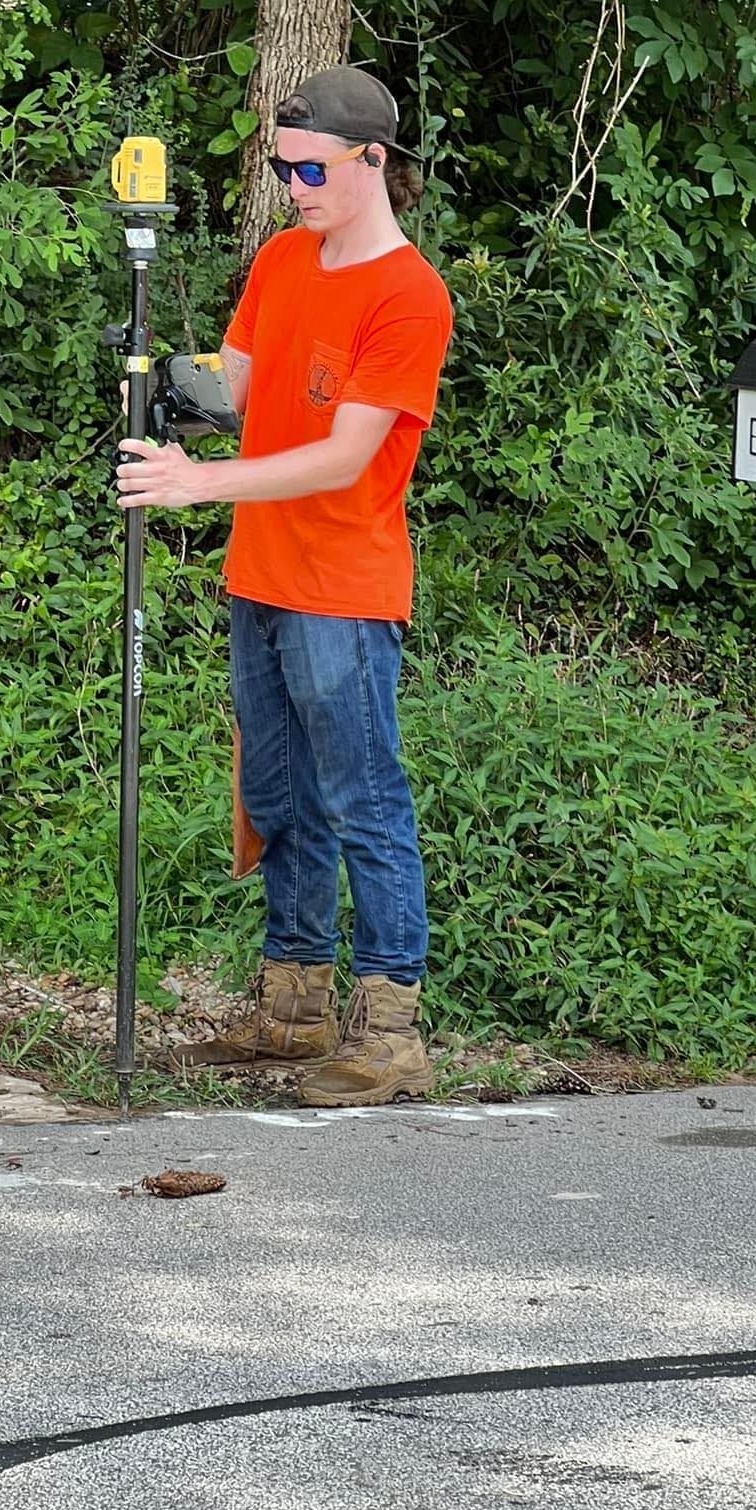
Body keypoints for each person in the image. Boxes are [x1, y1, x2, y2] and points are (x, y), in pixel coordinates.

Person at [116, 66, 452, 1106]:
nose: (294, 183)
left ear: (373, 162)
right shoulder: (281, 260)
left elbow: (344, 456)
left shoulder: (409, 295)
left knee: (363, 800)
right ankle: (294, 1009)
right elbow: (237, 389)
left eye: (310, 166)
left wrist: (198, 483)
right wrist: (156, 380)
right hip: (259, 575)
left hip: (343, 593)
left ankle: (389, 1034)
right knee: (279, 800)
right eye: (282, 164)